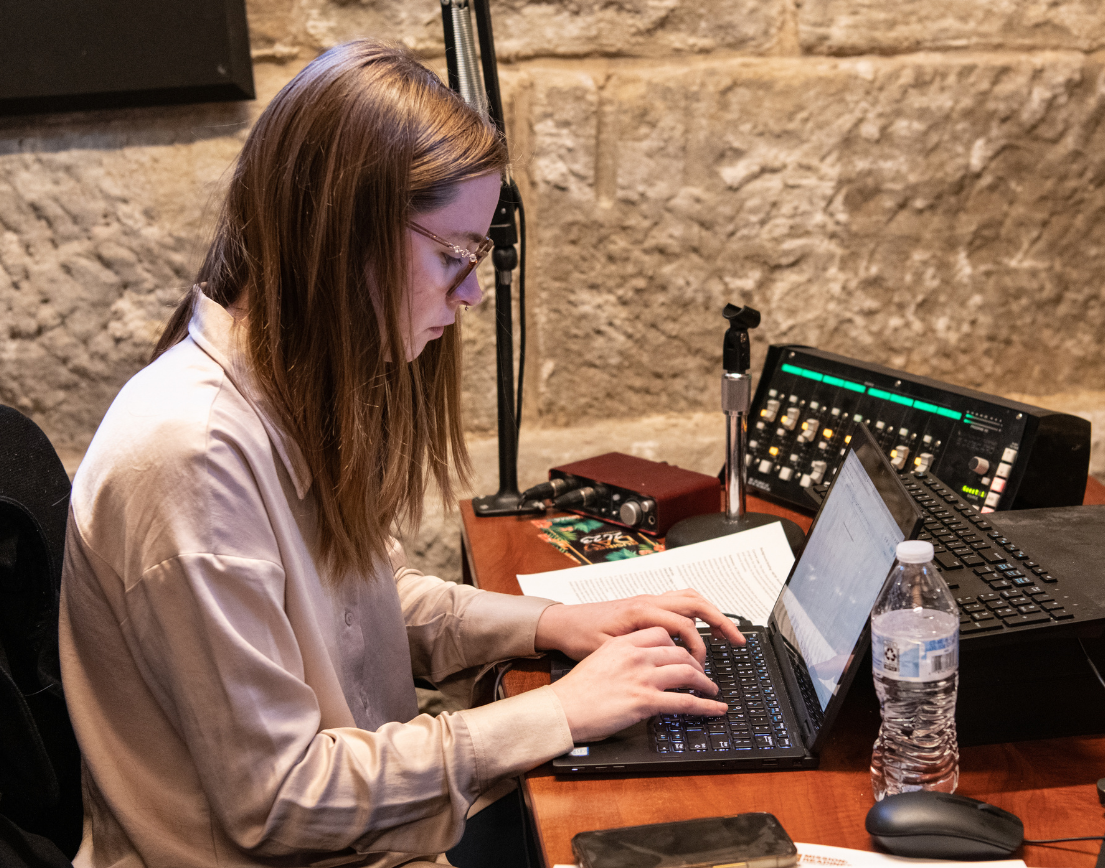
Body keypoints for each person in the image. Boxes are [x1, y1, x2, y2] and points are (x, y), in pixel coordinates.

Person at [58, 40, 742, 868]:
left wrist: (553, 623)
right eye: (452, 256)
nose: (472, 293)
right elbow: (280, 802)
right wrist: (558, 713)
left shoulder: (280, 389)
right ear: (337, 236)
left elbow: (362, 607)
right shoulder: (191, 456)